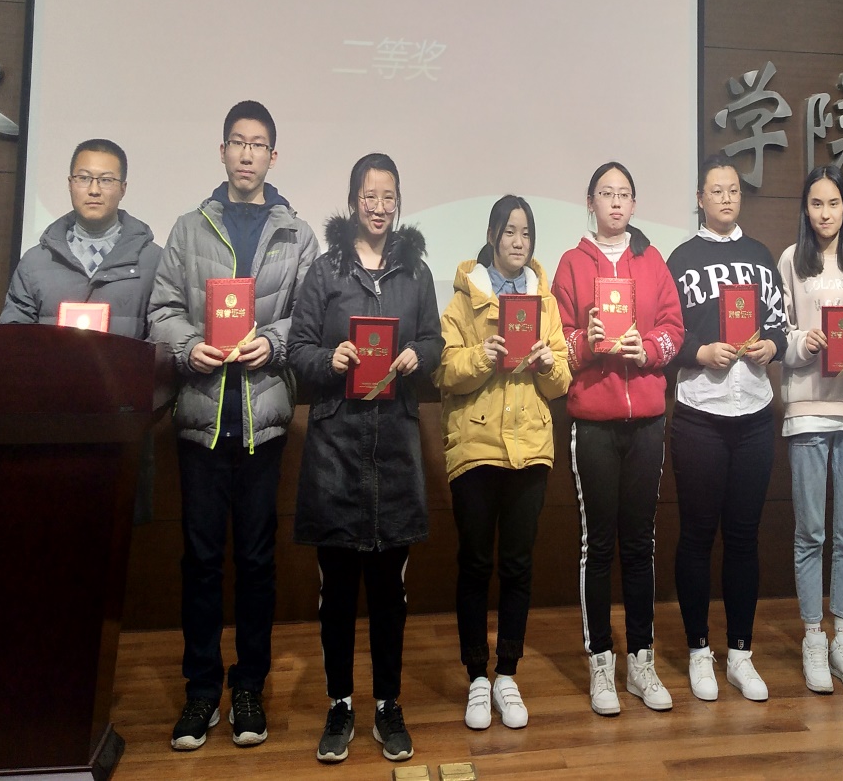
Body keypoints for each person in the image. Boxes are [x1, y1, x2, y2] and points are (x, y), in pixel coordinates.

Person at [147, 101, 319, 751]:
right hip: (200, 416)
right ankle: (200, 691)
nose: (248, 154)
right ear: (222, 151)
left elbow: (309, 318)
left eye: (258, 144)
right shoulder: (190, 228)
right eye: (238, 143)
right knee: (200, 560)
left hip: (262, 419)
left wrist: (273, 343)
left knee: (255, 560)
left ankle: (248, 686)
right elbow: (162, 308)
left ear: (274, 156)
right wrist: (187, 345)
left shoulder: (296, 234)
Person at [286, 153, 443, 766]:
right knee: (337, 592)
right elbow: (297, 349)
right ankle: (339, 704)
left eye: (388, 197)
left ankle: (387, 704)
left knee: (388, 594)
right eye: (369, 196)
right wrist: (330, 360)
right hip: (336, 446)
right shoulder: (326, 271)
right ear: (353, 200)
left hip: (395, 448)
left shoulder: (416, 272)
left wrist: (418, 355)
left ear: (398, 201)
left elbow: (433, 339)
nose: (379, 208)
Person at [435, 195, 572, 732]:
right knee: (475, 564)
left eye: (526, 234)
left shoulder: (545, 302)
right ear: (492, 235)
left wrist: (547, 363)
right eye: (509, 232)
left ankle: (507, 673)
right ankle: (476, 675)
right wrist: (481, 356)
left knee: (517, 565)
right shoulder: (463, 299)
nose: (518, 242)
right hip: (476, 447)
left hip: (530, 449)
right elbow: (444, 371)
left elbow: (561, 382)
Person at [551, 161, 683, 717]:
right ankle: (601, 661)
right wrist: (587, 341)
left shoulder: (652, 261)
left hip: (648, 420)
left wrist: (646, 349)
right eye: (605, 193)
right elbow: (556, 338)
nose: (615, 202)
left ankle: (642, 661)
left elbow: (674, 329)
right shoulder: (571, 263)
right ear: (590, 202)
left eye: (623, 194)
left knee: (640, 543)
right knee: (598, 544)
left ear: (633, 203)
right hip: (594, 423)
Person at [665, 157, 786, 703]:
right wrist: (699, 352)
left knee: (743, 537)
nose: (726, 198)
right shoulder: (680, 259)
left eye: (733, 190)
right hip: (700, 413)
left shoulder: (760, 256)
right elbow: (665, 333)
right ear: (700, 198)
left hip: (755, 413)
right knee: (696, 535)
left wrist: (772, 346)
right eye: (716, 191)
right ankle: (698, 652)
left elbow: (780, 321)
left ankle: (740, 653)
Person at [0, 137, 162, 522]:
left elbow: (163, 340)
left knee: (115, 542)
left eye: (106, 180)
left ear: (123, 188)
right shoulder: (36, 262)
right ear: (70, 183)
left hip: (122, 429)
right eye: (84, 177)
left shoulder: (154, 261)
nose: (93, 189)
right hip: (52, 426)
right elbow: (11, 342)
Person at [777, 164, 843, 695]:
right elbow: (779, 334)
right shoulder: (789, 261)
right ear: (806, 208)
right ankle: (813, 638)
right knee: (811, 532)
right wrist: (805, 343)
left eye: (834, 203)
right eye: (816, 203)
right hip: (807, 410)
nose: (825, 213)